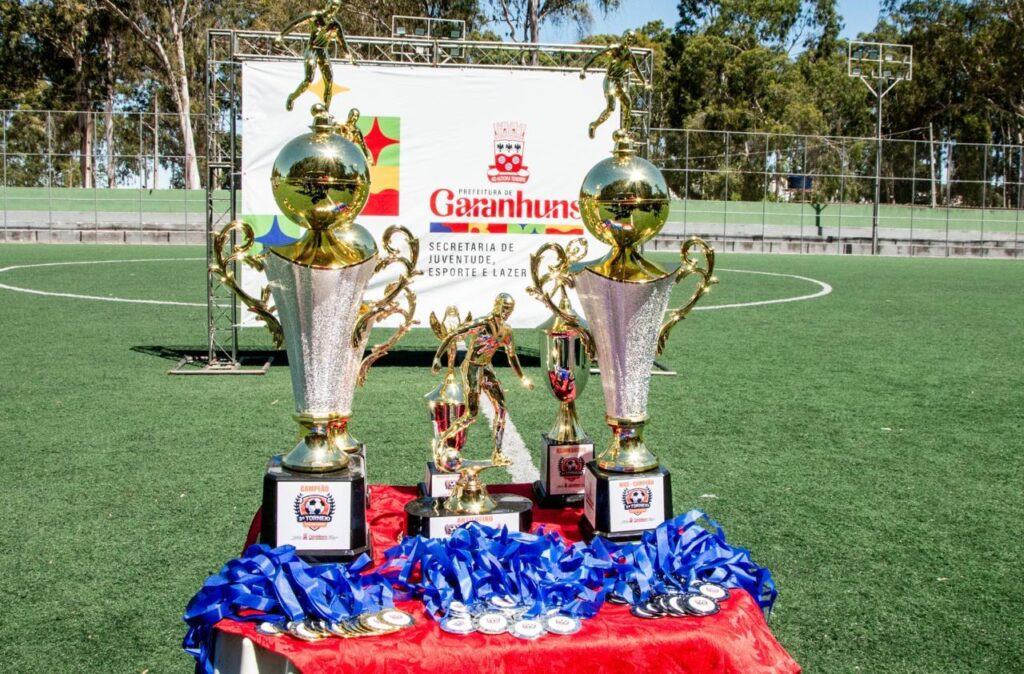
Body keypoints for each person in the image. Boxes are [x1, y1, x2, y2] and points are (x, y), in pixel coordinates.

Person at [431, 294, 533, 469]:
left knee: (501, 408)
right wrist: (437, 357)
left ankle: (498, 452)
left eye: (510, 309)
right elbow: (454, 334)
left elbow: (512, 355)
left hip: (487, 367)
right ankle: (443, 438)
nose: (506, 312)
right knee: (471, 415)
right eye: (504, 307)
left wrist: (522, 377)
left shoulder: (506, 331)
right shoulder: (482, 323)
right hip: (472, 367)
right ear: (496, 305)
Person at [280, 0, 357, 112]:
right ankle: (292, 97)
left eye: (336, 7)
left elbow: (342, 43)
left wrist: (349, 57)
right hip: (312, 50)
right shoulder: (316, 17)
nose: (333, 9)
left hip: (323, 52)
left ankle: (326, 110)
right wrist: (281, 35)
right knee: (308, 80)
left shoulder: (335, 25)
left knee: (329, 81)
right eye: (332, 6)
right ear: (327, 5)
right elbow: (296, 23)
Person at [579, 31, 651, 139]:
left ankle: (624, 132)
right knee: (611, 108)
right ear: (624, 37)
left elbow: (636, 70)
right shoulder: (614, 48)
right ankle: (594, 125)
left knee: (628, 103)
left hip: (619, 81)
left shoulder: (630, 56)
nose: (629, 40)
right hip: (610, 80)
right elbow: (596, 55)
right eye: (628, 38)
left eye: (632, 39)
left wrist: (644, 82)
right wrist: (584, 69)